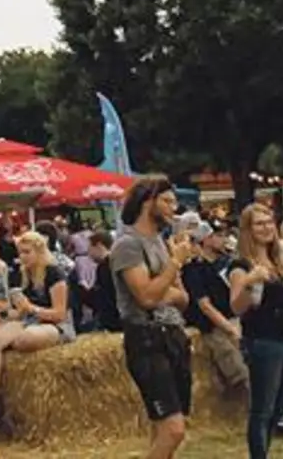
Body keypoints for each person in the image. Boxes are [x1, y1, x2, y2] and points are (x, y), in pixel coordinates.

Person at [111, 174, 194, 459]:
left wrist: (164, 287)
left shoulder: (160, 241)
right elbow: (146, 297)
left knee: (164, 429)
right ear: (148, 202)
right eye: (167, 201)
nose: (174, 208)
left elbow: (183, 298)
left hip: (173, 335)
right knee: (173, 430)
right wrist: (175, 263)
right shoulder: (128, 245)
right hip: (147, 339)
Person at [0, 231, 74, 435]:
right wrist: (2, 315)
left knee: (25, 339)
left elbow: (59, 313)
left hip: (55, 324)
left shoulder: (54, 273)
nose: (22, 257)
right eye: (20, 252)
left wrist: (32, 309)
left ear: (39, 252)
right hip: (27, 321)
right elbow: (18, 312)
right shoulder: (20, 275)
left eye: (27, 252)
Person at [228, 203, 283, 458]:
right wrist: (250, 283)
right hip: (262, 340)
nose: (266, 228)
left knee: (279, 407)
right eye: (259, 223)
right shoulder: (241, 266)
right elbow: (237, 307)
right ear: (248, 230)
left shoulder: (279, 261)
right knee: (262, 409)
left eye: (269, 222)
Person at [182, 222, 248, 394]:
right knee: (242, 374)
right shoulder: (192, 270)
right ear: (205, 240)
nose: (223, 239)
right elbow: (205, 306)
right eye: (217, 235)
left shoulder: (215, 265)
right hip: (214, 328)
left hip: (230, 320)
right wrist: (229, 328)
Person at [83, 230, 121, 332]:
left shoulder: (105, 266)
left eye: (90, 247)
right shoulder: (115, 262)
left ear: (99, 245)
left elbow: (105, 294)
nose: (88, 253)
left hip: (112, 320)